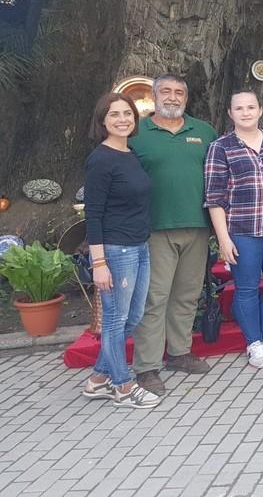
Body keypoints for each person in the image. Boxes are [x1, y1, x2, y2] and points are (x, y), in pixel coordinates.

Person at [130, 74, 217, 397]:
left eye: (179, 92)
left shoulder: (204, 132)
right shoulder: (137, 133)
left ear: (186, 97)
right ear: (154, 96)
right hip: (154, 228)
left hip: (197, 225)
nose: (172, 97)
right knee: (155, 298)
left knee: (187, 294)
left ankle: (179, 353)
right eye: (165, 91)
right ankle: (147, 366)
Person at [205, 91, 263, 369]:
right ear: (230, 113)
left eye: (251, 107)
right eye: (239, 108)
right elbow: (214, 197)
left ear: (260, 110)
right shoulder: (220, 148)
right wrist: (223, 238)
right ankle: (253, 342)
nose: (245, 112)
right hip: (242, 229)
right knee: (246, 288)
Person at [82, 93, 159, 409]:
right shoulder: (100, 159)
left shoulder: (129, 153)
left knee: (133, 315)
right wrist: (99, 262)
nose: (123, 119)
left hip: (138, 246)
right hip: (115, 250)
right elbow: (93, 214)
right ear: (103, 121)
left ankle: (98, 377)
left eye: (127, 113)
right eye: (114, 115)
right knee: (116, 320)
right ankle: (123, 386)